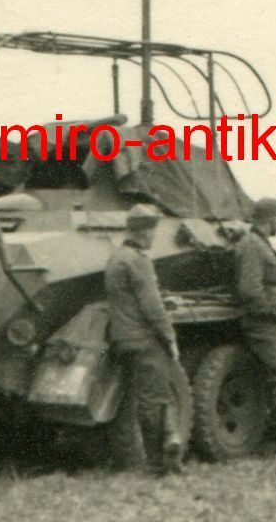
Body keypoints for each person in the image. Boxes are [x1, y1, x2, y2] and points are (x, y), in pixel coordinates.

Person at [104, 204, 184, 476]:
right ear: (145, 232)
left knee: (145, 397)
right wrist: (169, 337)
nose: (154, 237)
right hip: (144, 340)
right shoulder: (138, 260)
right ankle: (156, 464)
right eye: (153, 231)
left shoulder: (117, 256)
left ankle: (169, 453)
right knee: (155, 400)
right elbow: (152, 307)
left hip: (124, 338)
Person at [235, 197, 276, 462]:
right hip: (264, 324)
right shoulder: (252, 246)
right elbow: (249, 290)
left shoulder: (258, 243)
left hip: (270, 323)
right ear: (270, 218)